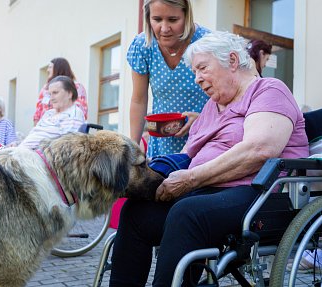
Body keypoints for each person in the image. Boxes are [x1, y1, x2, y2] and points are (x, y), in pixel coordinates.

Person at [109, 31, 309, 287]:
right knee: (136, 213)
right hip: (206, 193)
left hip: (262, 195)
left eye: (202, 68)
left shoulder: (268, 90)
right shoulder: (211, 108)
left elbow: (260, 149)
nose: (197, 79)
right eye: (194, 72)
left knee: (187, 213)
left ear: (233, 60)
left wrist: (191, 179)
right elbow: (187, 157)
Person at [128, 0, 210, 158]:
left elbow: (226, 97)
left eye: (173, 20)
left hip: (204, 139)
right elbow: (139, 99)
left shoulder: (206, 42)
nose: (164, 29)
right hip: (162, 144)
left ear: (186, 16)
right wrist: (134, 147)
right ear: (148, 18)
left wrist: (204, 120)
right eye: (157, 19)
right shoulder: (143, 45)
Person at [21, 75, 85, 150]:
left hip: (38, 156)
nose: (51, 98)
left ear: (69, 94)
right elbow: (33, 134)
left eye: (55, 93)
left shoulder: (74, 113)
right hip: (23, 151)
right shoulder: (49, 113)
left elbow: (67, 146)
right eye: (50, 94)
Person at [33, 57, 87, 126]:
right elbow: (38, 112)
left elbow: (81, 111)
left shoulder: (77, 87)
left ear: (58, 68)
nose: (47, 70)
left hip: (66, 127)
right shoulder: (45, 88)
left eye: (50, 67)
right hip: (44, 127)